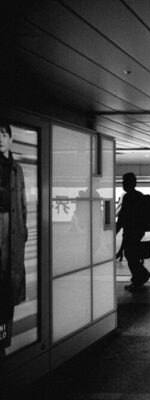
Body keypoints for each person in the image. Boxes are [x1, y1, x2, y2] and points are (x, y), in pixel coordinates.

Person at [0, 122, 27, 357]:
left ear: (10, 138)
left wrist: (23, 231)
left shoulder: (16, 170)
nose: (0, 138)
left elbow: (23, 204)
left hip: (13, 232)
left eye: (3, 134)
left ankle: (3, 339)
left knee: (8, 288)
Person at [116, 172, 150, 292]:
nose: (123, 184)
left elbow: (122, 217)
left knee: (130, 254)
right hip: (138, 230)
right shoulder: (139, 195)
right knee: (131, 254)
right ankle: (138, 279)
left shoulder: (128, 197)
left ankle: (141, 277)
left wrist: (116, 230)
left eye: (124, 182)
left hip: (131, 229)